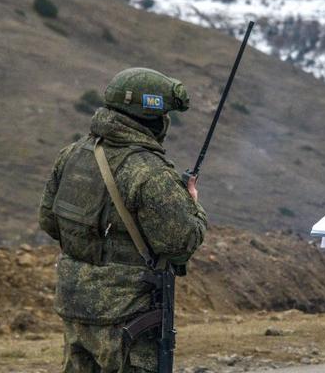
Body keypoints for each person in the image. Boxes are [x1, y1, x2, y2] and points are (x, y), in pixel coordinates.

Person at [38, 67, 207, 372]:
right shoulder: (151, 172)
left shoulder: (72, 154)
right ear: (154, 119)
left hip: (76, 307)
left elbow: (50, 222)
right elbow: (182, 243)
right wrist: (193, 205)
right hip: (128, 316)